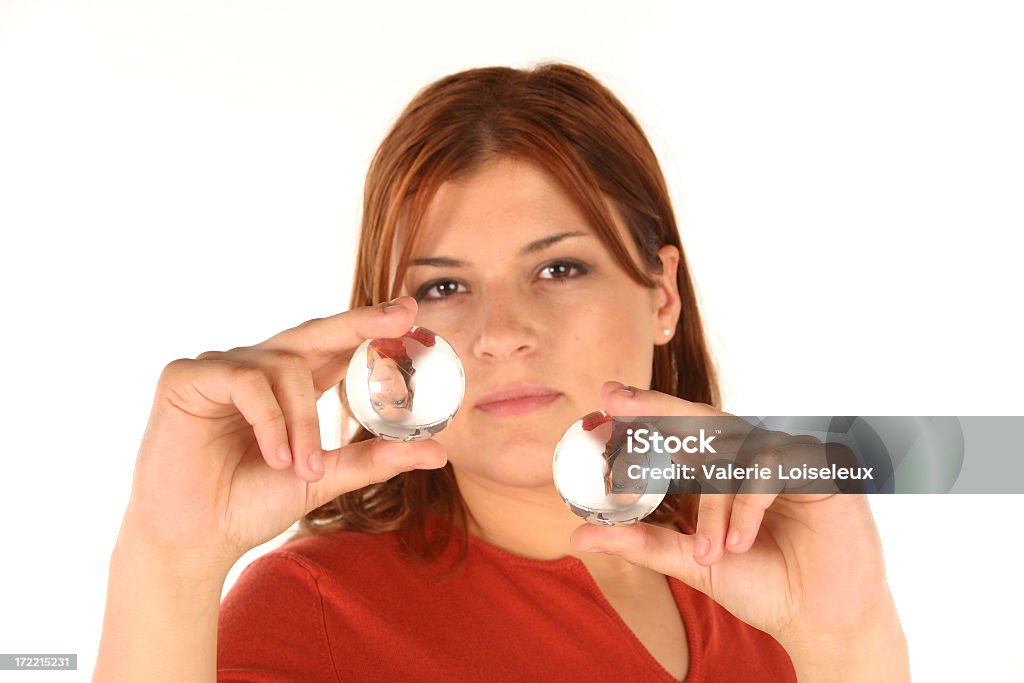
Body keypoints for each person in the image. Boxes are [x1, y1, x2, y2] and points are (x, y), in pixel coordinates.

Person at [94, 63, 909, 682]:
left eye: (557, 269)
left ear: (662, 294)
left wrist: (850, 636)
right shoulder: (316, 613)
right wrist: (168, 556)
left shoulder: (783, 595)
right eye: (444, 288)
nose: (500, 334)